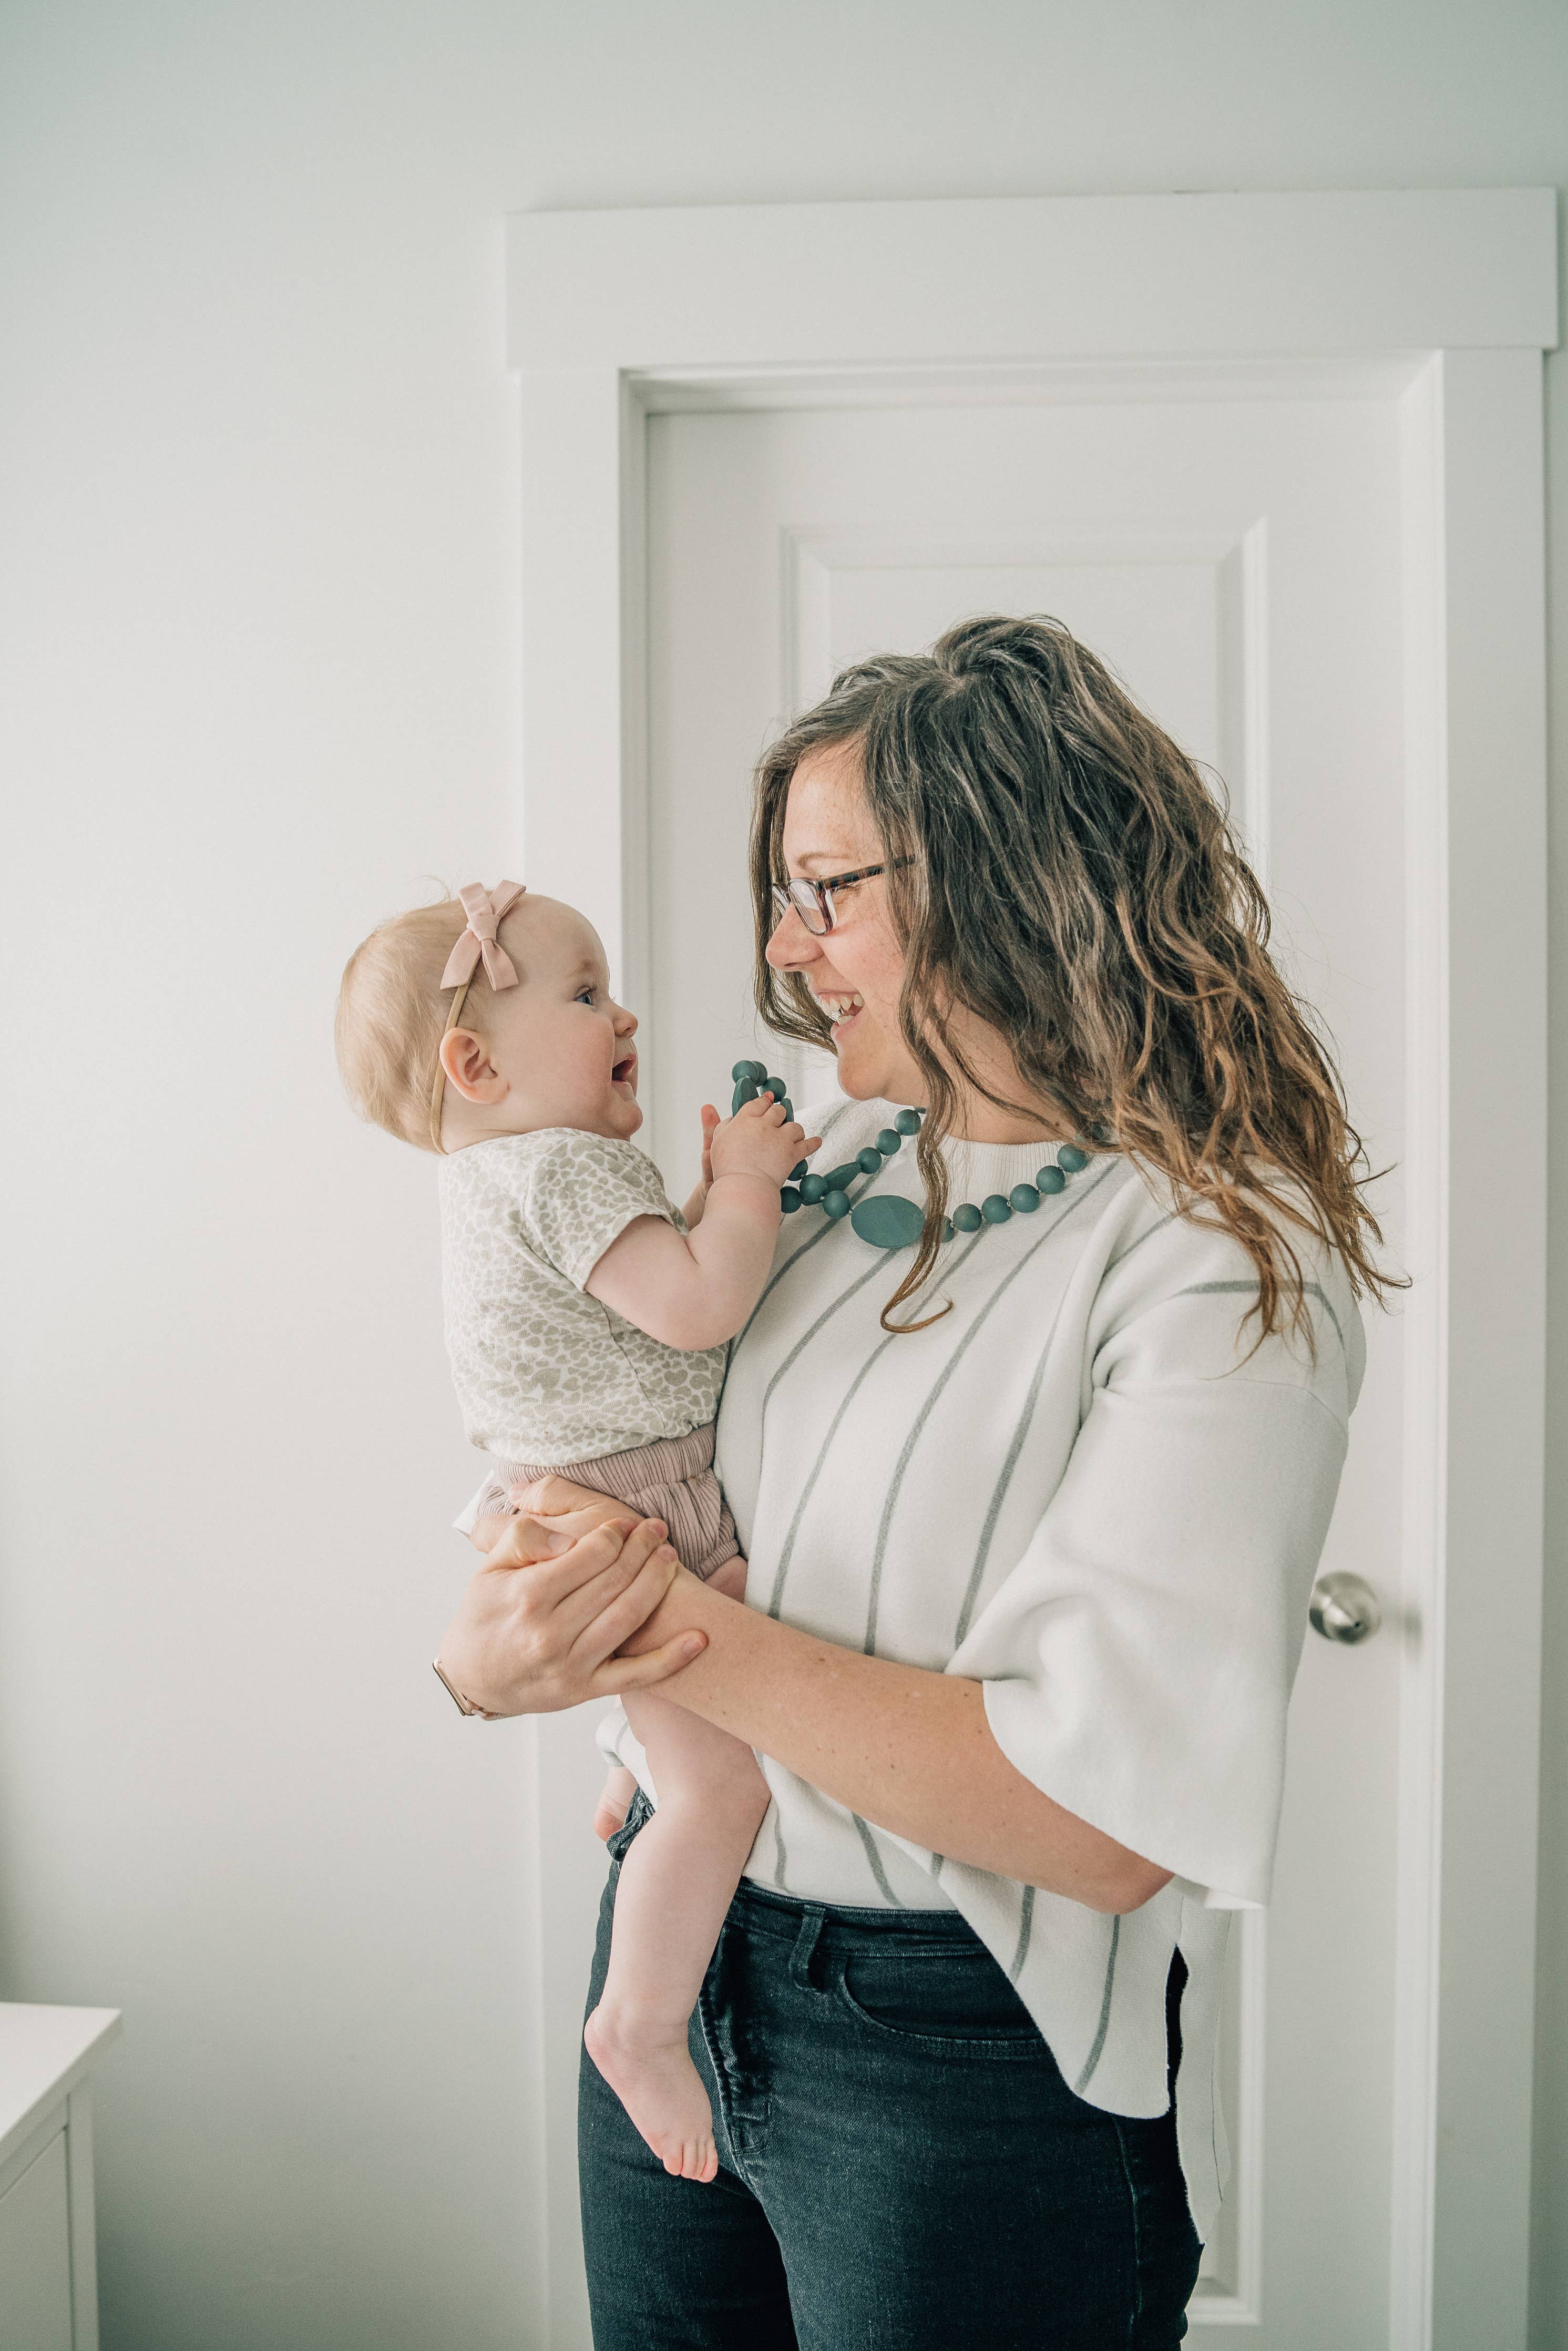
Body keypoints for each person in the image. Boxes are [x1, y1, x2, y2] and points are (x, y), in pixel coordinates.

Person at [435, 615, 1396, 2350]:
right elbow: (674, 1474)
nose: (789, 957)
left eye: (831, 892)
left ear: (1006, 868)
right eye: (783, 899)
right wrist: (501, 1667)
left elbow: (1103, 1823)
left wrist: (640, 1636)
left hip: (955, 2047)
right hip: (677, 1949)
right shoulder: (822, 1176)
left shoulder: (1212, 1263)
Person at [335, 880, 821, 2184]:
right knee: (727, 1785)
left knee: (694, 1746)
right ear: (476, 1062)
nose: (627, 1012)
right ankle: (638, 2024)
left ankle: (634, 1785)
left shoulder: (497, 1174)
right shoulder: (558, 1169)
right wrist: (743, 1182)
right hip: (630, 1511)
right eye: (587, 992)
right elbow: (700, 1303)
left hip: (598, 1499)